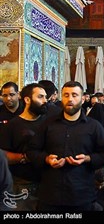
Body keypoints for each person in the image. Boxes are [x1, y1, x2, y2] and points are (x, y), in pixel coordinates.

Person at [27, 81, 104, 211]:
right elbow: (32, 151)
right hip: (51, 195)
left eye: (74, 95)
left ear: (83, 99)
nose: (70, 99)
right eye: (66, 95)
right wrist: (46, 159)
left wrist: (87, 158)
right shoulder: (48, 124)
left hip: (81, 195)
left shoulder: (94, 126)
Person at [0, 83, 48, 211]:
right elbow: (3, 155)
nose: (45, 101)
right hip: (22, 184)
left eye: (45, 97)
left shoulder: (48, 122)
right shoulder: (13, 125)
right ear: (27, 100)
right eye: (40, 97)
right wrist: (26, 157)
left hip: (47, 183)